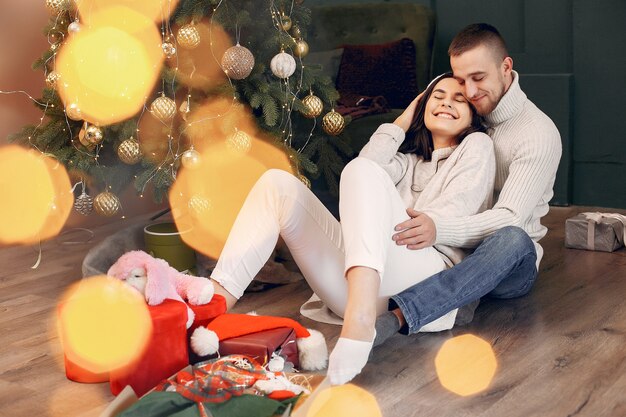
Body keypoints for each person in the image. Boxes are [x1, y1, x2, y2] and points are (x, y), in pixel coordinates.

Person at [208, 73, 495, 385]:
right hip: (362, 289)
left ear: (473, 115)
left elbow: (444, 219)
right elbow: (363, 169)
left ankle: (359, 323)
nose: (446, 103)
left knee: (363, 171)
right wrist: (401, 122)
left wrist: (382, 214)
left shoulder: (477, 145)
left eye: (459, 99)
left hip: (424, 282)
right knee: (277, 184)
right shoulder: (405, 161)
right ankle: (214, 304)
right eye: (437, 96)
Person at [373, 23, 562, 345]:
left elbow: (510, 218)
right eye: (461, 81)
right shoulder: (467, 112)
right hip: (446, 250)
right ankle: (452, 295)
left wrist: (438, 228)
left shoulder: (537, 135)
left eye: (479, 78)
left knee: (513, 239)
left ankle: (401, 315)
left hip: (502, 261)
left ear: (506, 68)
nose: (470, 92)